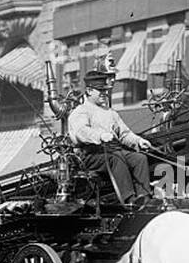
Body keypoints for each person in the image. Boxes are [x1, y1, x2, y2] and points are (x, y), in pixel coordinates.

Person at [66, 68, 155, 206]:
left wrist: (139, 141)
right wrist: (100, 136)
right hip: (90, 155)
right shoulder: (80, 112)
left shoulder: (110, 112)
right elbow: (81, 132)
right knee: (116, 158)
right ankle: (129, 199)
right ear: (89, 91)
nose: (104, 93)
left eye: (105, 89)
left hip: (112, 151)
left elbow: (124, 134)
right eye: (100, 90)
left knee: (139, 158)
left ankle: (144, 196)